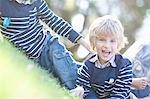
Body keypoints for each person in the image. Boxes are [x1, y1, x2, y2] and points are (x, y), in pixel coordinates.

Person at [0, 0, 91, 90]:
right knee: (65, 74)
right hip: (32, 58)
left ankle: (84, 88)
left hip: (48, 48)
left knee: (70, 77)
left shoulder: (36, 2)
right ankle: (94, 75)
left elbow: (54, 21)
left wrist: (82, 41)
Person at [70, 15, 133, 99]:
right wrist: (81, 90)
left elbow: (120, 94)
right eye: (102, 40)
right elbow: (83, 84)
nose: (107, 46)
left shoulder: (124, 65)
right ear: (94, 41)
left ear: (118, 43)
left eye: (112, 41)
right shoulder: (89, 64)